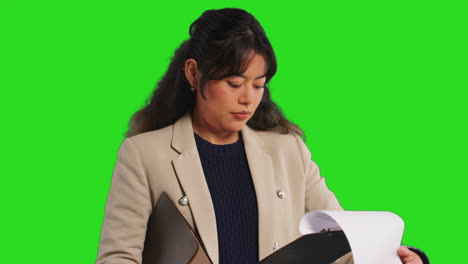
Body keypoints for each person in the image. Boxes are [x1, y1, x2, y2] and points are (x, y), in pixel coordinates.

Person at [95, 8, 428, 264]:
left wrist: (400, 256)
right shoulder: (144, 154)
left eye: (259, 85)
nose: (248, 99)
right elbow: (118, 257)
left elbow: (341, 245)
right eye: (235, 84)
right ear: (194, 74)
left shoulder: (289, 152)